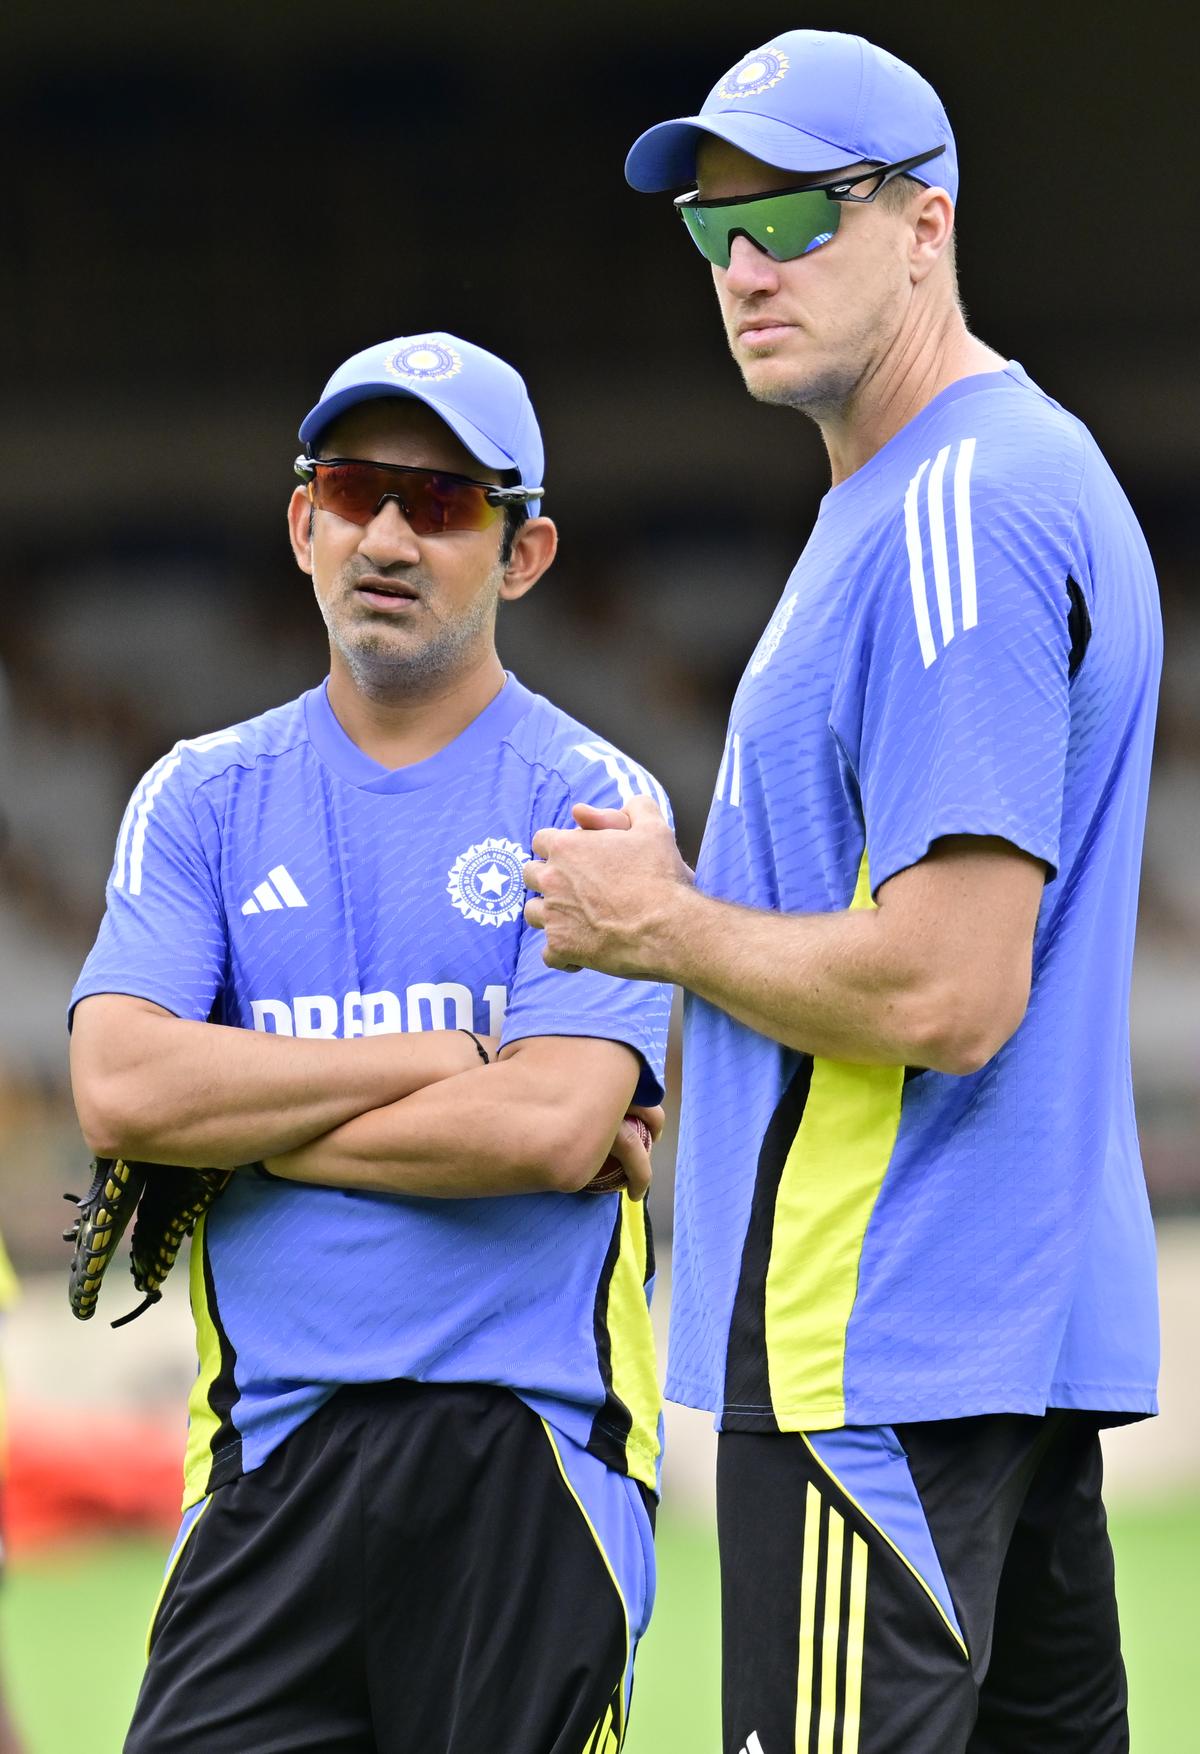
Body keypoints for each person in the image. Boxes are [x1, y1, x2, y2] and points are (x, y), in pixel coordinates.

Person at [523, 29, 1161, 1754]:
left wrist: (656, 922)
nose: (745, 264)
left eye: (798, 212)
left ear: (927, 225)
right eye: (715, 228)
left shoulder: (957, 506)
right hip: (978, 1342)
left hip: (869, 1351)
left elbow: (953, 991)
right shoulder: (950, 491)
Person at [68, 333, 671, 1754]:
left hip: (530, 1452)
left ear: (523, 554)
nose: (389, 534)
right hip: (270, 1457)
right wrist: (441, 1056)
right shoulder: (199, 796)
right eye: (354, 489)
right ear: (302, 524)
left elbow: (546, 1129)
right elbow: (117, 1085)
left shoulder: (597, 805)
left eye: (444, 501)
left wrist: (235, 1103)